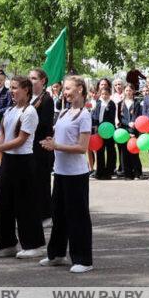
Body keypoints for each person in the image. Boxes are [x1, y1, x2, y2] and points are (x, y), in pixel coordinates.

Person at [0, 75, 46, 259]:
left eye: (15, 88)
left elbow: (20, 140)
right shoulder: (9, 111)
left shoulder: (30, 112)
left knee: (25, 204)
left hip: (24, 161)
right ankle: (6, 244)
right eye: (11, 88)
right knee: (4, 204)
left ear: (26, 89)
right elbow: (3, 135)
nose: (12, 91)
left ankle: (34, 244)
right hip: (8, 161)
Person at [40, 75, 93, 273]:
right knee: (59, 215)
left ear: (80, 89)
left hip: (76, 174)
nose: (65, 92)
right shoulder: (63, 113)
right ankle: (57, 254)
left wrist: (57, 146)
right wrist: (50, 142)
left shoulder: (84, 115)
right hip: (60, 172)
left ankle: (83, 260)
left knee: (77, 216)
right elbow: (59, 138)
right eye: (65, 88)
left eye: (69, 88)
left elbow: (81, 148)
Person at [29, 68, 55, 226]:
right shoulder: (30, 99)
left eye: (34, 78)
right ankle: (34, 212)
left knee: (42, 181)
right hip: (29, 145)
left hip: (41, 145)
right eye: (29, 78)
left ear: (43, 81)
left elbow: (44, 123)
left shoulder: (46, 99)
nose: (30, 81)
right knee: (32, 182)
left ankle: (46, 215)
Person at [91, 78, 117, 180]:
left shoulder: (111, 104)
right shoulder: (98, 103)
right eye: (102, 94)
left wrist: (106, 127)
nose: (104, 96)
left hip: (108, 130)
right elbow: (95, 116)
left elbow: (111, 117)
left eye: (106, 94)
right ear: (100, 94)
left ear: (109, 94)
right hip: (99, 129)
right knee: (100, 151)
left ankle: (109, 171)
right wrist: (96, 126)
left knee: (109, 150)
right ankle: (100, 171)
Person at [118, 83, 142, 179]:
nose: (128, 92)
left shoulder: (137, 103)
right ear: (124, 91)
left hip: (134, 130)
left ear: (133, 91)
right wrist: (128, 125)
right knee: (124, 152)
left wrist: (132, 130)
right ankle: (127, 173)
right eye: (126, 90)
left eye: (130, 90)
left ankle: (137, 173)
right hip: (124, 131)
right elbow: (120, 119)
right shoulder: (120, 104)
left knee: (134, 151)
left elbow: (137, 117)